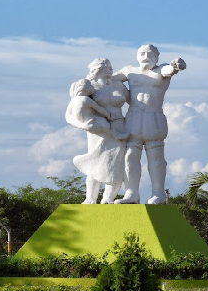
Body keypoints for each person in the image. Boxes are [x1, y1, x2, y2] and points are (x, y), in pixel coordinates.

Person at [112, 44, 186, 204]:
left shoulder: (161, 70)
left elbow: (170, 70)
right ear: (137, 56)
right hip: (133, 117)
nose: (146, 56)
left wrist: (176, 65)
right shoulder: (129, 71)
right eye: (142, 53)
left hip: (154, 117)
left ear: (157, 56)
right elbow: (107, 80)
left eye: (150, 53)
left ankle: (158, 193)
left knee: (156, 157)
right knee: (129, 157)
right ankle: (131, 193)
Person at [65, 59, 129, 204]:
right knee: (95, 161)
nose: (112, 70)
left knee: (116, 164)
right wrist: (84, 125)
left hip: (119, 125)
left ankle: (108, 198)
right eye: (108, 67)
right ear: (98, 69)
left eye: (112, 67)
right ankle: (90, 198)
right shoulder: (87, 86)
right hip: (97, 129)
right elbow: (71, 113)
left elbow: (135, 101)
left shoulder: (118, 85)